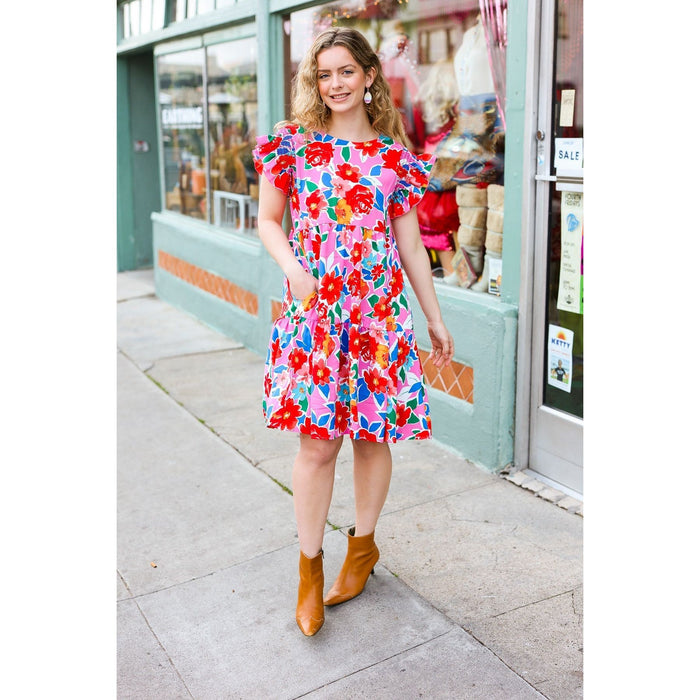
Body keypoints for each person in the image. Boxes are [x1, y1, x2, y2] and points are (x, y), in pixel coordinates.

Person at [252, 27, 454, 637]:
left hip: (378, 315)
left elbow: (412, 246)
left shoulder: (396, 158)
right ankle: (309, 568)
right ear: (315, 82)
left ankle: (361, 549)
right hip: (316, 314)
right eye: (324, 74)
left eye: (346, 72)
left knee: (372, 437)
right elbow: (267, 221)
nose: (335, 84)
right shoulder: (292, 147)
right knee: (317, 445)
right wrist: (294, 270)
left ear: (369, 76)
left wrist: (435, 316)